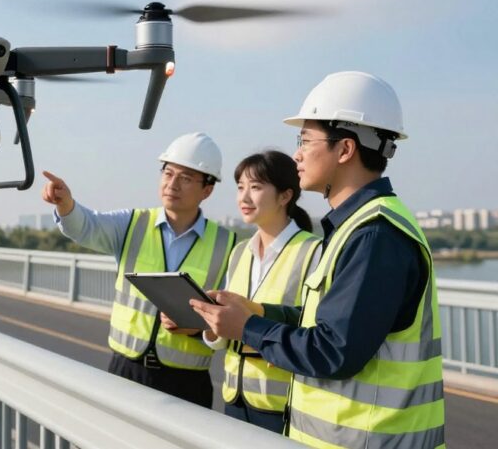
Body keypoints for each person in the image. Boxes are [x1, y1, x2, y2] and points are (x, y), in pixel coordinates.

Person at [191, 72, 445, 448]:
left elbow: (333, 351)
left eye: (305, 140)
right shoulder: (354, 228)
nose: (297, 153)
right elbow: (327, 324)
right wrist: (257, 311)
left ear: (344, 150)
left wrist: (248, 328)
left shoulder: (374, 235)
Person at [42, 132, 236, 407]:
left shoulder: (226, 245)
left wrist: (197, 328)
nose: (172, 184)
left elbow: (229, 317)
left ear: (207, 189)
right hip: (126, 372)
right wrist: (66, 205)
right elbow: (87, 226)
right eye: (168, 173)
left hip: (187, 384)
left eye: (185, 178)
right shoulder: (132, 224)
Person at [203, 151, 322, 433]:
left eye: (255, 187)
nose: (244, 198)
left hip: (282, 405)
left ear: (285, 196)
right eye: (240, 187)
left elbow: (317, 329)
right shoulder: (240, 252)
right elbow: (225, 339)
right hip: (234, 398)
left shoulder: (314, 251)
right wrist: (211, 327)